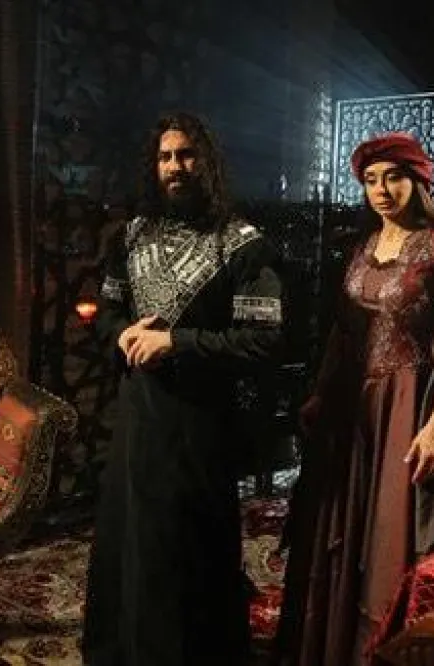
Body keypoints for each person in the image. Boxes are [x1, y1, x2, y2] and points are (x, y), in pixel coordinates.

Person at [272, 132, 434, 665]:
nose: (381, 190)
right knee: (337, 527)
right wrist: (320, 394)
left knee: (387, 536)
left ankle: (378, 652)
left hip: (407, 404)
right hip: (349, 408)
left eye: (393, 178)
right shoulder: (361, 249)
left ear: (418, 181)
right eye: (371, 181)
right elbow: (343, 332)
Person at [80, 111, 286, 666]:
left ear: (207, 162)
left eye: (187, 155)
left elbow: (263, 340)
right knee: (131, 539)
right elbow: (107, 310)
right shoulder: (131, 236)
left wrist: (177, 342)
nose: (175, 166)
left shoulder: (242, 245)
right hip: (139, 417)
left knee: (185, 548)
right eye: (165, 156)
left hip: (199, 424)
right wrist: (122, 332)